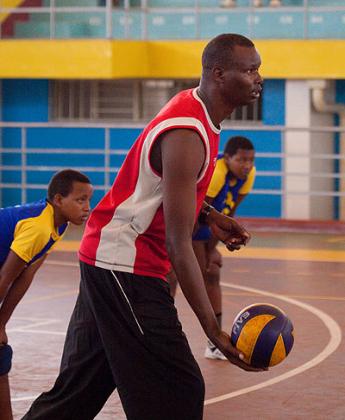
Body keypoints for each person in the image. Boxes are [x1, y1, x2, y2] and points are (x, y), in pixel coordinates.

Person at [24, 33, 264, 420]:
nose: (258, 78)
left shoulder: (196, 111)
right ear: (219, 74)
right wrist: (213, 331)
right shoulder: (188, 131)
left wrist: (210, 214)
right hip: (125, 266)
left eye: (258, 69)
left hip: (105, 257)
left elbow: (163, 185)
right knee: (178, 387)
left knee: (79, 391)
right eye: (250, 69)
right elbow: (177, 242)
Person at [0, 169, 93, 420]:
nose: (87, 207)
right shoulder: (39, 227)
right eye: (80, 199)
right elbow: (5, 279)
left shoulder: (57, 225)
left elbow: (25, 277)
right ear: (59, 200)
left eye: (89, 200)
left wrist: (1, 324)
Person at [195, 136, 256, 360]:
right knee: (173, 280)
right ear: (228, 158)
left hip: (207, 227)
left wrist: (215, 246)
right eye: (241, 160)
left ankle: (213, 343)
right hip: (190, 223)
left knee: (212, 273)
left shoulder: (248, 176)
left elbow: (227, 215)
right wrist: (207, 250)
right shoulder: (217, 173)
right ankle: (156, 338)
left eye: (251, 160)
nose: (247, 165)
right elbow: (199, 213)